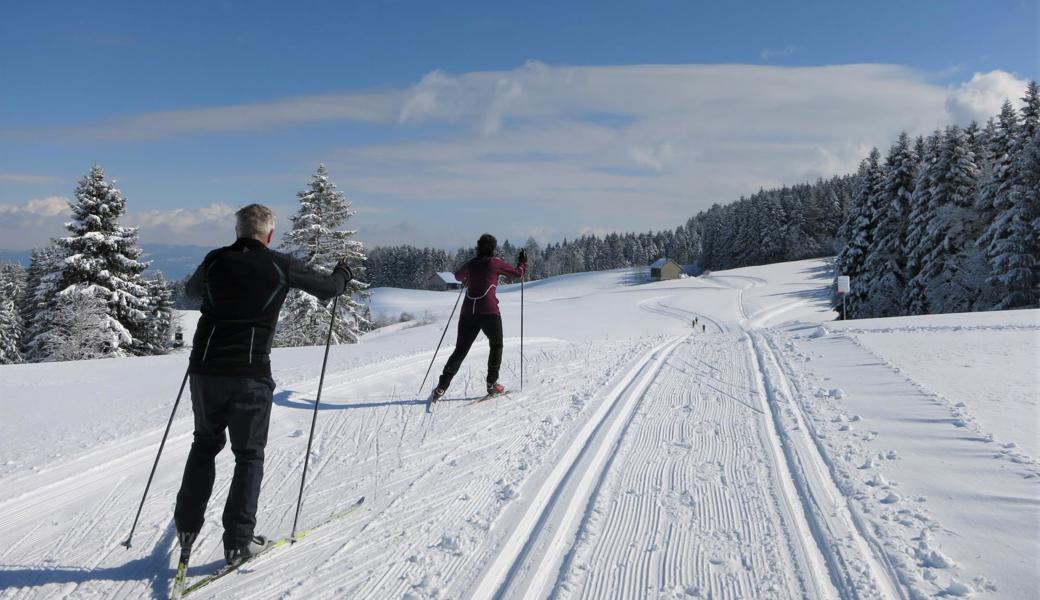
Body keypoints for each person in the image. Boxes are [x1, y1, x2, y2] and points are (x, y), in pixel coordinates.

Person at [174, 204, 353, 566]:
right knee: (248, 455)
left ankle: (187, 530)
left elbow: (192, 291)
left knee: (204, 444)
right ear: (269, 235)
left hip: (205, 371)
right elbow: (328, 290)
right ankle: (238, 543)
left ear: (237, 231)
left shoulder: (214, 260)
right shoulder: (279, 264)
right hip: (250, 374)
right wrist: (343, 273)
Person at [430, 234, 526, 402]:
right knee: (496, 345)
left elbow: (458, 276)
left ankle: (442, 386)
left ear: (478, 247)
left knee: (460, 350)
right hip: (489, 312)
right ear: (493, 248)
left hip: (468, 313)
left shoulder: (472, 264)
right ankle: (492, 384)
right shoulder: (495, 263)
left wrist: (471, 272)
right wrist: (522, 262)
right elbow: (518, 274)